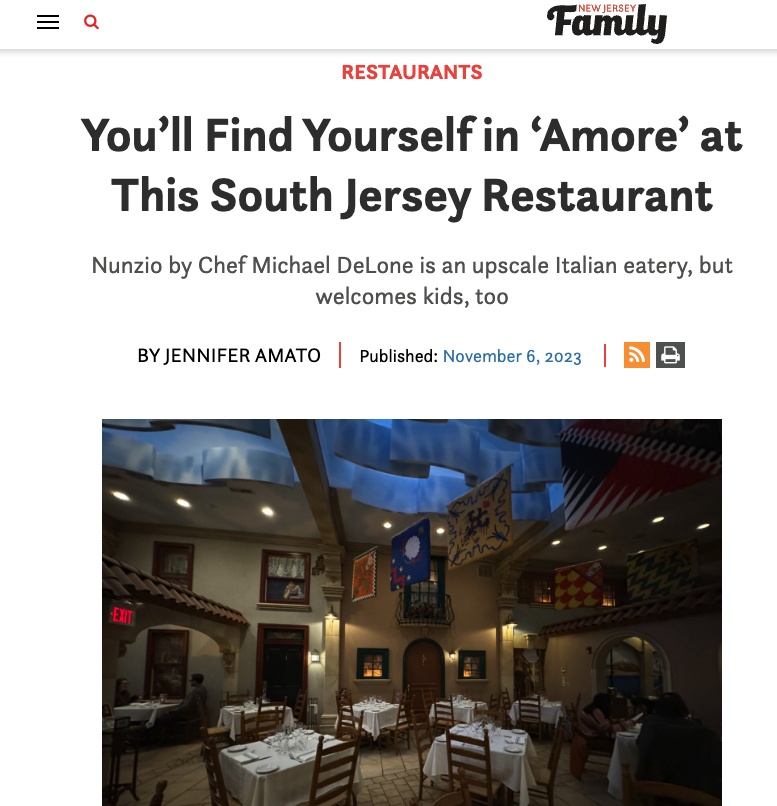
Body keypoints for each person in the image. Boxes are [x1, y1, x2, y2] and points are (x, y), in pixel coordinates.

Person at [636, 692, 721, 797]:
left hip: (659, 785)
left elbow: (640, 748)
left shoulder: (651, 726)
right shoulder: (702, 731)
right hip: (700, 790)